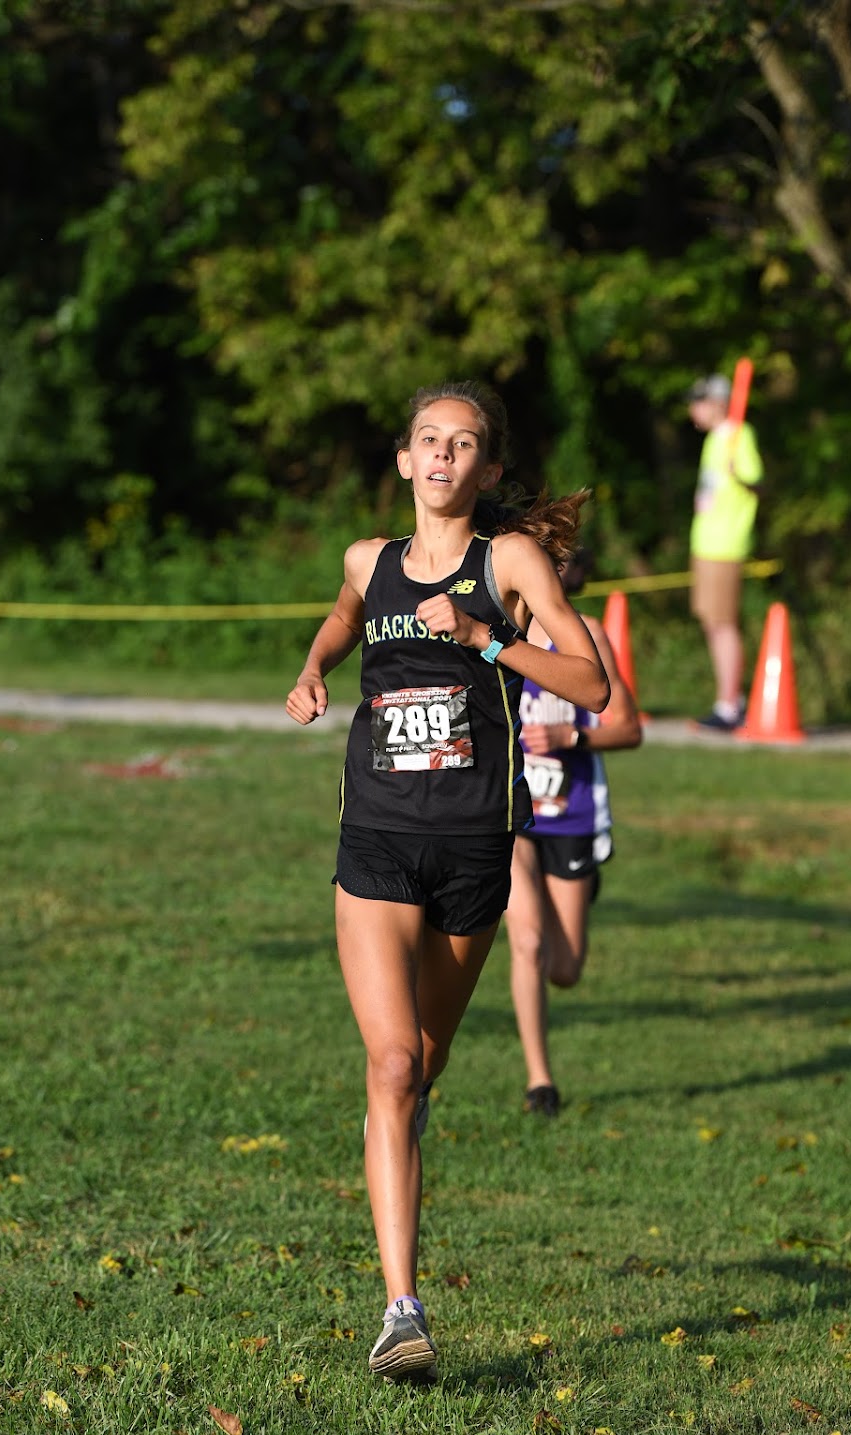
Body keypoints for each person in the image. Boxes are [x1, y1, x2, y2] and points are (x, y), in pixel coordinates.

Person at [285, 380, 610, 1383]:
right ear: (403, 459)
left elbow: (593, 684)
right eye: (428, 440)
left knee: (423, 1063)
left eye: (463, 444)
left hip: (474, 846)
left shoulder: (506, 564)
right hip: (378, 840)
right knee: (390, 1067)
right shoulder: (368, 560)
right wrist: (314, 668)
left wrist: (489, 641)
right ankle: (402, 1313)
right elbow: (342, 617)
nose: (442, 455)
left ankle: (401, 1119)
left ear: (488, 467)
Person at [504, 550, 642, 1119]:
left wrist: (572, 739)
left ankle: (580, 889)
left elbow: (629, 729)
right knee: (528, 940)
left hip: (573, 816)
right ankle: (540, 1080)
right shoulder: (495, 632)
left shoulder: (588, 635)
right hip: (513, 815)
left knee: (564, 969)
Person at [687, 372, 764, 731]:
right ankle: (729, 698)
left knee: (723, 623)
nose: (693, 410)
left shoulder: (739, 434)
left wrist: (742, 474)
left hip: (726, 543)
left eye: (699, 402)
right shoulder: (714, 439)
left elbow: (756, 479)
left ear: (717, 403)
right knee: (710, 620)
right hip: (705, 543)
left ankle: (730, 704)